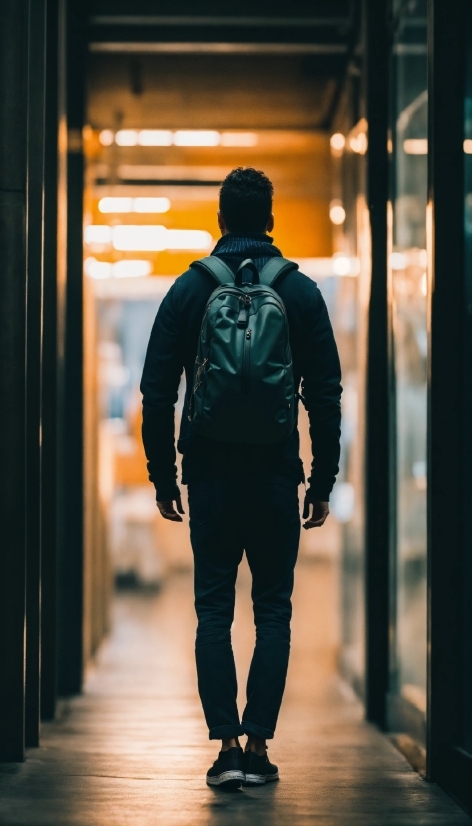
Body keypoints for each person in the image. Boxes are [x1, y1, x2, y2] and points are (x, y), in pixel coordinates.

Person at [141, 167, 342, 789]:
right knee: (274, 610)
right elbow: (327, 395)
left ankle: (225, 747)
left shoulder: (190, 290)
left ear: (221, 221)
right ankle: (258, 746)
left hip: (211, 473)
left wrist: (164, 476)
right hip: (278, 473)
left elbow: (156, 391)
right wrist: (322, 479)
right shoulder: (301, 292)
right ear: (272, 221)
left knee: (212, 611)